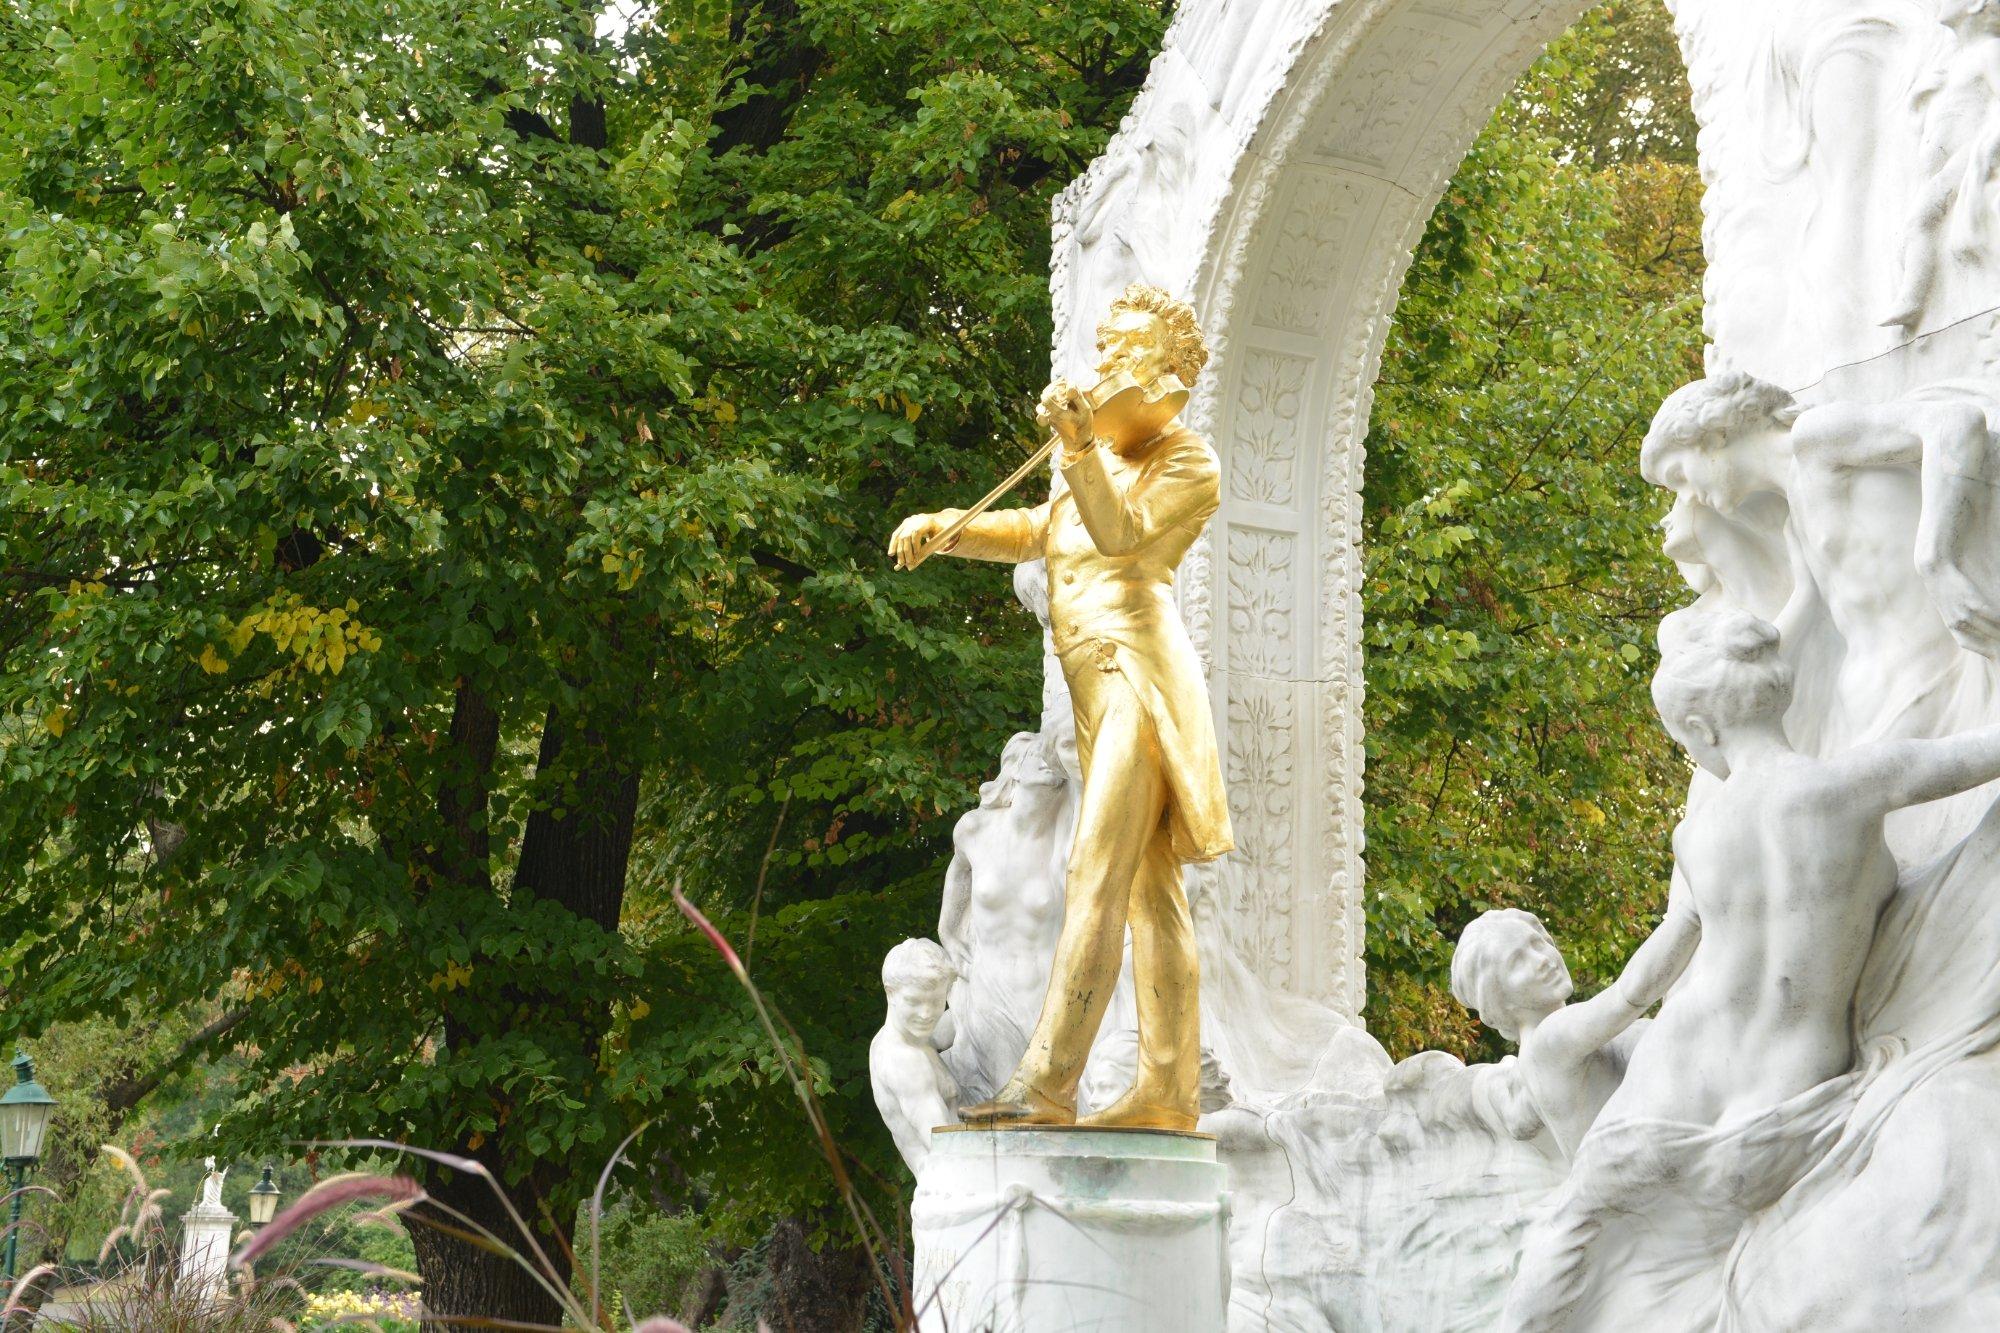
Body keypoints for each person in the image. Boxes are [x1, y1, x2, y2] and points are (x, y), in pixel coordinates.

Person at [1502, 611, 2000, 1331]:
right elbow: (1979, 751)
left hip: (1665, 1092)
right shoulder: (1857, 782)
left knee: (1567, 1265)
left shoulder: (1695, 834)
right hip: (1782, 1107)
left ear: (1701, 728)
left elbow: (1646, 983)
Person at [888, 283, 1232, 1131]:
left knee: (1095, 871)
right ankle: (1167, 1090)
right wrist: (947, 526)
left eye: (1123, 353)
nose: (1105, 364)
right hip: (1093, 692)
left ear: (1166, 368)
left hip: (1138, 683)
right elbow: (1040, 530)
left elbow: (1120, 537)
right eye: (1104, 348)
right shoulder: (1098, 461)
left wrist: (1077, 444)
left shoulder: (1186, 460)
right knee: (1154, 893)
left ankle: (1047, 1085)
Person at [1450, 906, 1692, 1160]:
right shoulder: (1548, 1042)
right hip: (1643, 1182)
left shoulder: (1543, 1054)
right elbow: (1631, 993)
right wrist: (1690, 913)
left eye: (1537, 943)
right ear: (1500, 999)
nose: (1542, 959)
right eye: (1517, 962)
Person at [868, 940, 959, 1173]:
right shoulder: (905, 1060)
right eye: (914, 1002)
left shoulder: (911, 1039)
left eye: (937, 1002)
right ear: (890, 993)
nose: (927, 1014)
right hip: (952, 1192)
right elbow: (947, 1148)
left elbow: (957, 1020)